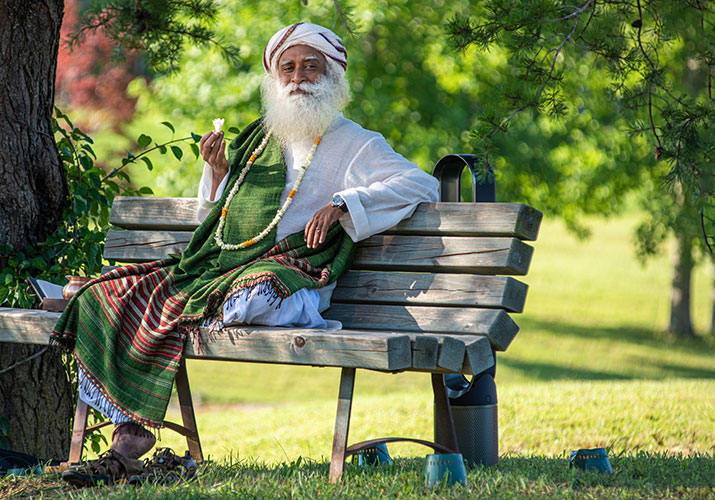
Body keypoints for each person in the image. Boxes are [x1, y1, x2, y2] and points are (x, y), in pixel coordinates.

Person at [53, 22, 439, 485]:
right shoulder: (259, 140)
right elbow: (214, 224)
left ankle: (194, 317)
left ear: (333, 75)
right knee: (109, 295)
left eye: (310, 68)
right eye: (288, 68)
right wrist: (217, 172)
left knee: (254, 294)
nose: (297, 77)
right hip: (224, 271)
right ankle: (129, 441)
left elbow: (422, 183)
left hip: (294, 274)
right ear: (274, 81)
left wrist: (343, 205)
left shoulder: (356, 142)